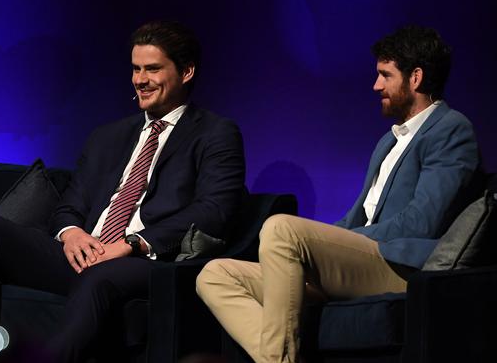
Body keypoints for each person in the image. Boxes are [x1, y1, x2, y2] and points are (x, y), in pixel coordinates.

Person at [0, 20, 246, 362]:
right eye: (135, 69)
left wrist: (132, 243)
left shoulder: (215, 134)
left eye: (152, 69)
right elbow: (69, 205)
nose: (140, 80)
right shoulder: (108, 136)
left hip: (149, 262)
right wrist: (71, 234)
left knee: (102, 277)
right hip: (86, 254)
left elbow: (214, 211)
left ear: (187, 71)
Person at [196, 25, 482, 363]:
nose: (376, 86)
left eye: (384, 75)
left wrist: (341, 242)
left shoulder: (451, 129)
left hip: (399, 265)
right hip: (362, 258)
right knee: (216, 274)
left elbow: (423, 222)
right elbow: (357, 214)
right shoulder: (389, 141)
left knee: (280, 228)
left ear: (415, 78)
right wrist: (330, 241)